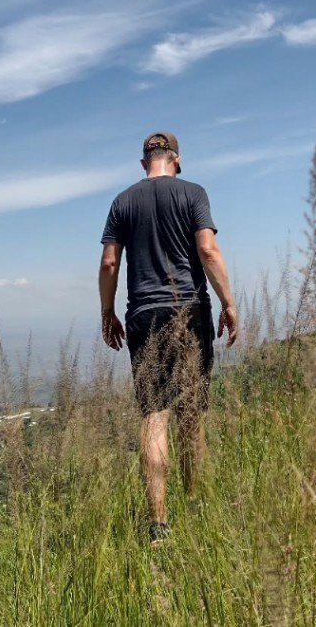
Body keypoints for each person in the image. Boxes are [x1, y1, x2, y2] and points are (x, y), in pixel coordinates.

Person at [98, 131, 238, 547]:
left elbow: (109, 262)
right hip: (189, 312)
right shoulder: (193, 193)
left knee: (154, 415)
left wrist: (107, 313)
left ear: (145, 163)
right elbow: (208, 252)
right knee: (191, 414)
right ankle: (196, 505)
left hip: (143, 316)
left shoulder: (122, 202)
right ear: (176, 160)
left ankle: (159, 525)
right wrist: (228, 302)